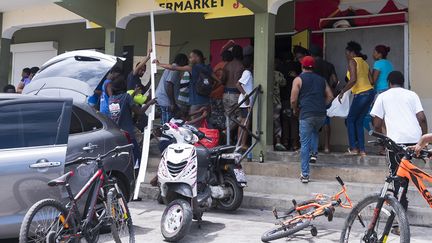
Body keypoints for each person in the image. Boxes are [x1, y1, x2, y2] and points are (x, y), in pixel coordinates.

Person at [370, 71, 427, 234]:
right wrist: (423, 141)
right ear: (403, 83)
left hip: (395, 143)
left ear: (389, 83)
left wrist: (382, 141)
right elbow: (422, 118)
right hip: (414, 142)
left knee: (396, 180)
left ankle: (397, 223)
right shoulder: (412, 94)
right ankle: (401, 212)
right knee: (405, 179)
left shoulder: (383, 96)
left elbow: (377, 123)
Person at [291, 56, 334, 183]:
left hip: (306, 113)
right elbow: (330, 96)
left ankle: (305, 174)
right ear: (313, 67)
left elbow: (293, 99)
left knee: (304, 143)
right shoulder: (322, 80)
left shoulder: (298, 79)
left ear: (302, 66)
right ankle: (314, 154)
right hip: (321, 114)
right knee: (314, 130)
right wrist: (323, 105)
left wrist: (295, 109)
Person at [156, 49, 215, 127]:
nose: (188, 61)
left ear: (196, 57)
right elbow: (218, 81)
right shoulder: (208, 68)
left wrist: (159, 64)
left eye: (190, 57)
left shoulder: (190, 68)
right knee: (204, 124)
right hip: (205, 101)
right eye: (188, 58)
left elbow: (172, 68)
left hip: (193, 101)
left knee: (192, 125)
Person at [108, 76, 156, 168]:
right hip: (128, 133)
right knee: (137, 155)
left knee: (123, 156)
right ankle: (137, 174)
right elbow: (139, 111)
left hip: (116, 132)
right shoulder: (126, 97)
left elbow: (124, 101)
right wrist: (149, 103)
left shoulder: (111, 98)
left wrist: (134, 92)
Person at [338, 41, 375, 156]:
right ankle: (362, 150)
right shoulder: (365, 62)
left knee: (350, 120)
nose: (346, 56)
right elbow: (372, 81)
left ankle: (353, 148)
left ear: (352, 53)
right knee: (358, 121)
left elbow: (353, 79)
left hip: (361, 94)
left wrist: (342, 91)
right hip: (370, 93)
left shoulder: (352, 61)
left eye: (347, 53)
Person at [310, 45, 338, 154]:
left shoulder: (311, 66)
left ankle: (313, 148)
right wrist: (331, 89)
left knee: (311, 120)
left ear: (311, 55)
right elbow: (335, 80)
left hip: (314, 96)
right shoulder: (329, 65)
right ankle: (327, 147)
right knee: (326, 120)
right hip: (326, 95)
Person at [155, 53, 189, 124]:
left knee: (165, 120)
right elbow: (169, 86)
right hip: (165, 100)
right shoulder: (175, 69)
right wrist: (172, 103)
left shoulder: (172, 67)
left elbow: (173, 85)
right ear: (182, 61)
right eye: (186, 62)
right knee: (167, 124)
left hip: (161, 98)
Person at [222, 45, 244, 130]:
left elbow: (222, 80)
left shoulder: (227, 65)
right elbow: (238, 82)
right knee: (242, 117)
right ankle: (226, 132)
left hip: (226, 94)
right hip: (237, 94)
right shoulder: (241, 66)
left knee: (228, 116)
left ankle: (227, 136)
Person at [236, 55, 254, 150]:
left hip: (245, 102)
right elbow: (238, 85)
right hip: (245, 102)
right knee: (245, 123)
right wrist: (246, 95)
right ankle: (242, 144)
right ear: (251, 64)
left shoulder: (247, 73)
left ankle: (240, 143)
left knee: (244, 122)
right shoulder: (247, 73)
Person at [273, 60, 288, 151]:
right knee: (276, 122)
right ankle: (278, 141)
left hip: (264, 101)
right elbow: (284, 83)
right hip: (276, 101)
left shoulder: (261, 73)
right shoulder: (278, 74)